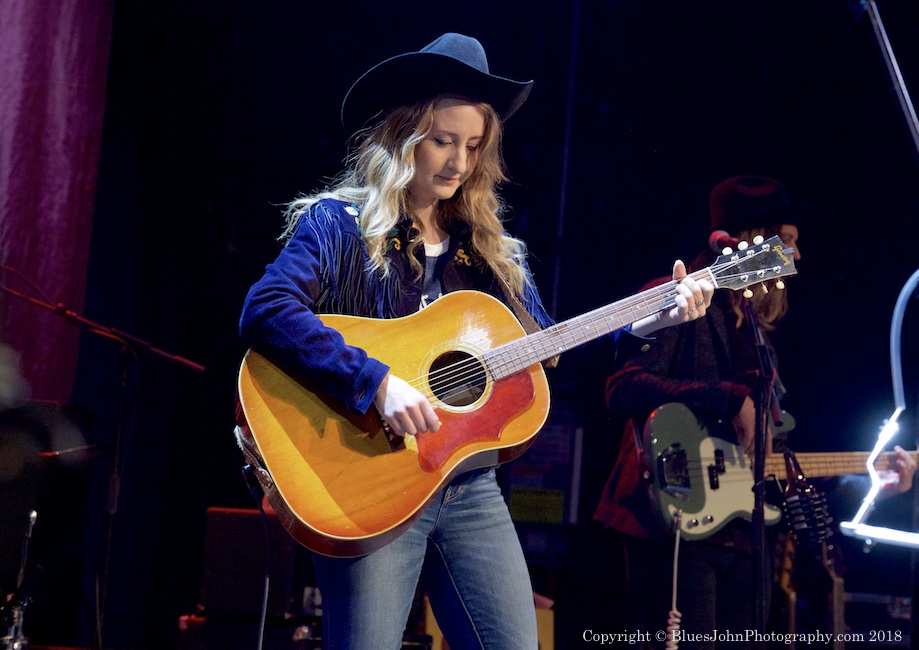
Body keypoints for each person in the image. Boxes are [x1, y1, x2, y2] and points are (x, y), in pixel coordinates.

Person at [236, 33, 714, 650]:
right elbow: (267, 309)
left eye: (472, 146)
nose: (458, 162)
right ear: (402, 135)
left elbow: (550, 352)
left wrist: (652, 323)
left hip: (470, 490)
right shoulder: (339, 226)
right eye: (442, 140)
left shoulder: (492, 253)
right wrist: (375, 383)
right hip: (371, 481)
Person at [593, 175, 916, 649]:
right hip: (672, 521)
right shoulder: (678, 298)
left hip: (745, 538)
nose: (796, 255)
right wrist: (727, 397)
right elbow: (622, 389)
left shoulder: (758, 338)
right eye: (787, 240)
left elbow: (775, 457)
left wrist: (869, 479)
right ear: (749, 242)